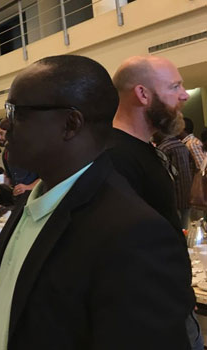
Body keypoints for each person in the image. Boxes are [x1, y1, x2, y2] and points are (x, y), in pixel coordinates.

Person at [0, 55, 192, 349]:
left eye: (18, 111)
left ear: (71, 123)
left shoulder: (133, 234)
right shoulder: (32, 205)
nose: (6, 123)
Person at [108, 55, 200, 348]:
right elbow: (126, 249)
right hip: (152, 317)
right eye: (175, 86)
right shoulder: (116, 156)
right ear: (143, 94)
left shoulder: (144, 149)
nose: (184, 95)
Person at [153, 131, 193, 228]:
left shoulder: (163, 148)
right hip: (187, 194)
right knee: (185, 227)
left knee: (176, 229)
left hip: (173, 196)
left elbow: (160, 173)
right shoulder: (182, 145)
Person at [0, 118, 40, 196]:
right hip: (20, 199)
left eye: (1, 133)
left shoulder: (33, 149)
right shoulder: (6, 153)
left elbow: (47, 177)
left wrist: (29, 187)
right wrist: (5, 181)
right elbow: (12, 179)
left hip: (36, 196)